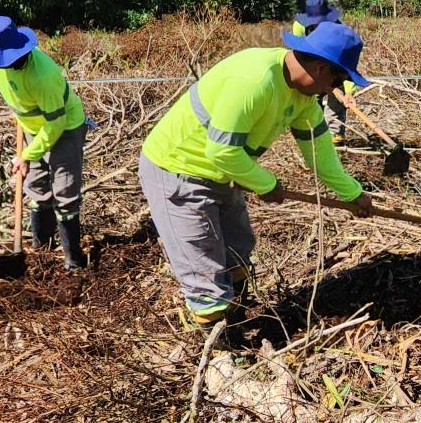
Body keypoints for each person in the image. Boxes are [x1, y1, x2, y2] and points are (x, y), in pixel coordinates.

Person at [138, 22, 373, 330]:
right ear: (320, 68)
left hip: (226, 174)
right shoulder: (255, 81)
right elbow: (222, 152)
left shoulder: (303, 96)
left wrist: (353, 194)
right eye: (338, 79)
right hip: (178, 170)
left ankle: (238, 323)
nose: (334, 89)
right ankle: (218, 349)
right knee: (204, 271)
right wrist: (267, 185)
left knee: (238, 252)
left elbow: (320, 154)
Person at [0, 16, 87, 270]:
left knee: (65, 194)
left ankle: (73, 262)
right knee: (36, 187)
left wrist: (27, 155)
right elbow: (17, 94)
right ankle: (41, 253)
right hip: (33, 128)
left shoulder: (43, 76)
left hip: (64, 127)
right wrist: (20, 115)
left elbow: (55, 124)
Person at [292, 0, 357, 145]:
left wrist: (348, 92)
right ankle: (313, 133)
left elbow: (346, 63)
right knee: (311, 98)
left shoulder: (339, 31)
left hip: (333, 63)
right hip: (310, 63)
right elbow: (298, 54)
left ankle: (335, 135)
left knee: (338, 97)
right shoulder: (300, 27)